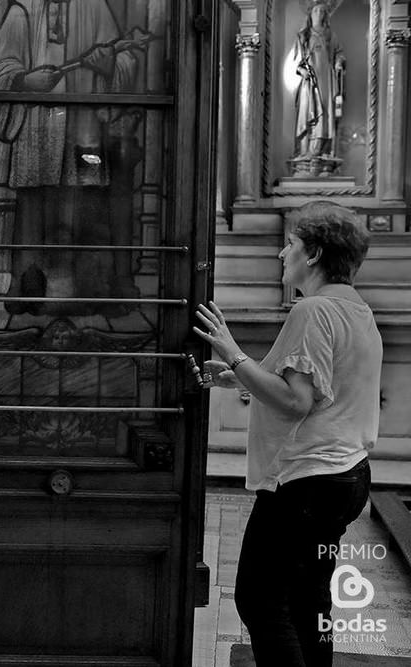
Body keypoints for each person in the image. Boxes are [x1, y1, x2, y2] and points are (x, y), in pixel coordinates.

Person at [193, 201, 381, 666]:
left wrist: (233, 352)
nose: (282, 253)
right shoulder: (356, 311)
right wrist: (237, 375)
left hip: (306, 482)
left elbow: (298, 400)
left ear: (313, 253)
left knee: (259, 602)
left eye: (291, 244)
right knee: (309, 603)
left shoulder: (313, 311)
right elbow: (319, 388)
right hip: (346, 476)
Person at [0, 0, 141, 315]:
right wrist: (24, 81)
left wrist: (109, 65)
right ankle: (29, 292)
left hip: (84, 133)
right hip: (37, 133)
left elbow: (128, 59)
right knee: (33, 207)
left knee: (89, 207)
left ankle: (93, 291)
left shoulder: (95, 9)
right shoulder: (22, 12)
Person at [290, 0, 345, 167]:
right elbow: (295, 61)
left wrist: (338, 62)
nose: (319, 14)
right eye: (316, 11)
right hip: (309, 81)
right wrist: (302, 70)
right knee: (308, 111)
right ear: (310, 13)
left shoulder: (330, 35)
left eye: (322, 11)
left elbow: (339, 52)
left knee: (326, 110)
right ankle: (305, 150)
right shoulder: (303, 36)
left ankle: (321, 150)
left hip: (326, 80)